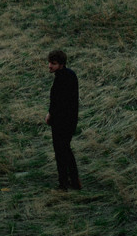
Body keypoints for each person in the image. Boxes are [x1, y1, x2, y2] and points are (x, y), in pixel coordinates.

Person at [45, 50, 81, 191]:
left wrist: (50, 115)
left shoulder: (63, 79)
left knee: (61, 152)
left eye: (53, 63)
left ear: (61, 64)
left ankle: (63, 184)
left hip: (62, 122)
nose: (50, 66)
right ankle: (74, 181)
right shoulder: (68, 75)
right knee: (65, 150)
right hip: (69, 120)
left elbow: (59, 102)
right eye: (49, 62)